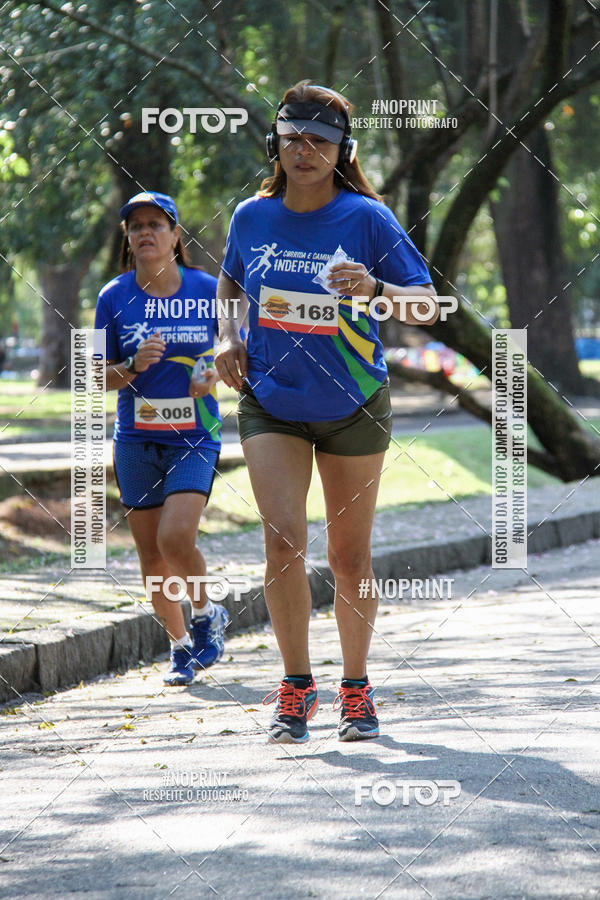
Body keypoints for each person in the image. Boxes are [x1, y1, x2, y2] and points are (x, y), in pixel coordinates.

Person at [214, 81, 439, 743]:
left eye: (319, 141)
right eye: (292, 140)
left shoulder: (367, 219)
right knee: (282, 541)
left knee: (349, 556)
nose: (305, 151)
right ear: (275, 146)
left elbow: (424, 306)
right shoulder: (251, 218)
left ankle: (357, 689)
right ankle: (295, 685)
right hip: (271, 402)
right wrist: (229, 333)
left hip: (353, 404)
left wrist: (375, 288)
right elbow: (231, 278)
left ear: (342, 150)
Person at [95, 191, 228, 686]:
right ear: (128, 239)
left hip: (196, 433)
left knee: (176, 538)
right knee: (151, 555)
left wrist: (210, 372)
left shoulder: (208, 288)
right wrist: (130, 366)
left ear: (176, 235)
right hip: (135, 438)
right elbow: (92, 375)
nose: (144, 233)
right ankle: (179, 650)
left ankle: (205, 613)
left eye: (155, 224)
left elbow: (238, 350)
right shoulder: (112, 297)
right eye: (135, 227)